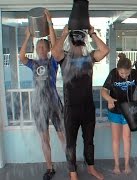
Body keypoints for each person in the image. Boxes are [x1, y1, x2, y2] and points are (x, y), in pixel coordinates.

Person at [51, 25, 109, 180]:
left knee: (89, 140)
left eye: (81, 43)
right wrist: (63, 34)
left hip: (88, 107)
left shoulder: (88, 58)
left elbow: (105, 51)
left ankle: (91, 168)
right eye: (76, 43)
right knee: (71, 143)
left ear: (84, 43)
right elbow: (54, 52)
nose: (78, 46)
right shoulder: (64, 58)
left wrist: (92, 33)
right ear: (70, 43)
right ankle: (73, 173)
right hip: (71, 109)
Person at [19, 10, 65, 180]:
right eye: (38, 47)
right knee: (44, 138)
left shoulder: (53, 62)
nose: (41, 49)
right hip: (39, 105)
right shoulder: (33, 63)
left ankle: (71, 164)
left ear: (47, 49)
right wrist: (28, 36)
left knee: (62, 135)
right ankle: (50, 168)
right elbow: (21, 56)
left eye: (43, 46)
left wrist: (50, 23)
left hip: (53, 103)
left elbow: (56, 46)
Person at [101, 57, 137, 175]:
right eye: (122, 73)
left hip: (129, 110)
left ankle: (126, 164)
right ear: (117, 70)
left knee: (127, 138)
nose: (124, 75)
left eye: (127, 73)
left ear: (131, 69)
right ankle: (116, 165)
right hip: (115, 110)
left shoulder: (135, 73)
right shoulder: (113, 74)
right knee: (116, 139)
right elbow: (103, 91)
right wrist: (109, 99)